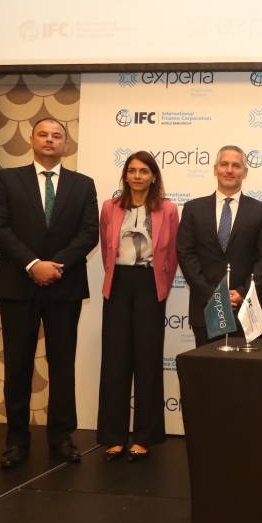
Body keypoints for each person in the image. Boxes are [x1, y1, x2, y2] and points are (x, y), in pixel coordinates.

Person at [0, 117, 98, 468]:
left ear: (66, 144)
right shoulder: (8, 179)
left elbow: (89, 233)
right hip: (18, 284)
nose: (50, 140)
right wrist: (33, 264)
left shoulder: (83, 185)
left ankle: (61, 438)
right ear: (32, 139)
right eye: (43, 134)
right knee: (17, 364)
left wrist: (55, 266)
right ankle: (16, 441)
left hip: (64, 285)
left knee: (62, 363)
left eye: (57, 136)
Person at [97, 151, 179, 462]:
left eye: (144, 171)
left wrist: (161, 288)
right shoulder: (110, 207)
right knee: (115, 361)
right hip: (118, 285)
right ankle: (113, 437)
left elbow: (172, 254)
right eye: (132, 170)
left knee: (147, 361)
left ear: (153, 176)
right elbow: (107, 250)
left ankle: (145, 437)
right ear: (125, 175)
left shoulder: (168, 209)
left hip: (150, 286)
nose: (137, 176)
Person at [176, 146, 262, 346]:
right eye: (224, 164)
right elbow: (185, 253)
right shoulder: (193, 209)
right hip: (206, 308)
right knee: (207, 366)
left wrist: (243, 293)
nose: (229, 170)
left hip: (247, 310)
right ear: (215, 169)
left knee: (248, 367)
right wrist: (213, 295)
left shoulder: (260, 211)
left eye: (236, 165)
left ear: (245, 172)